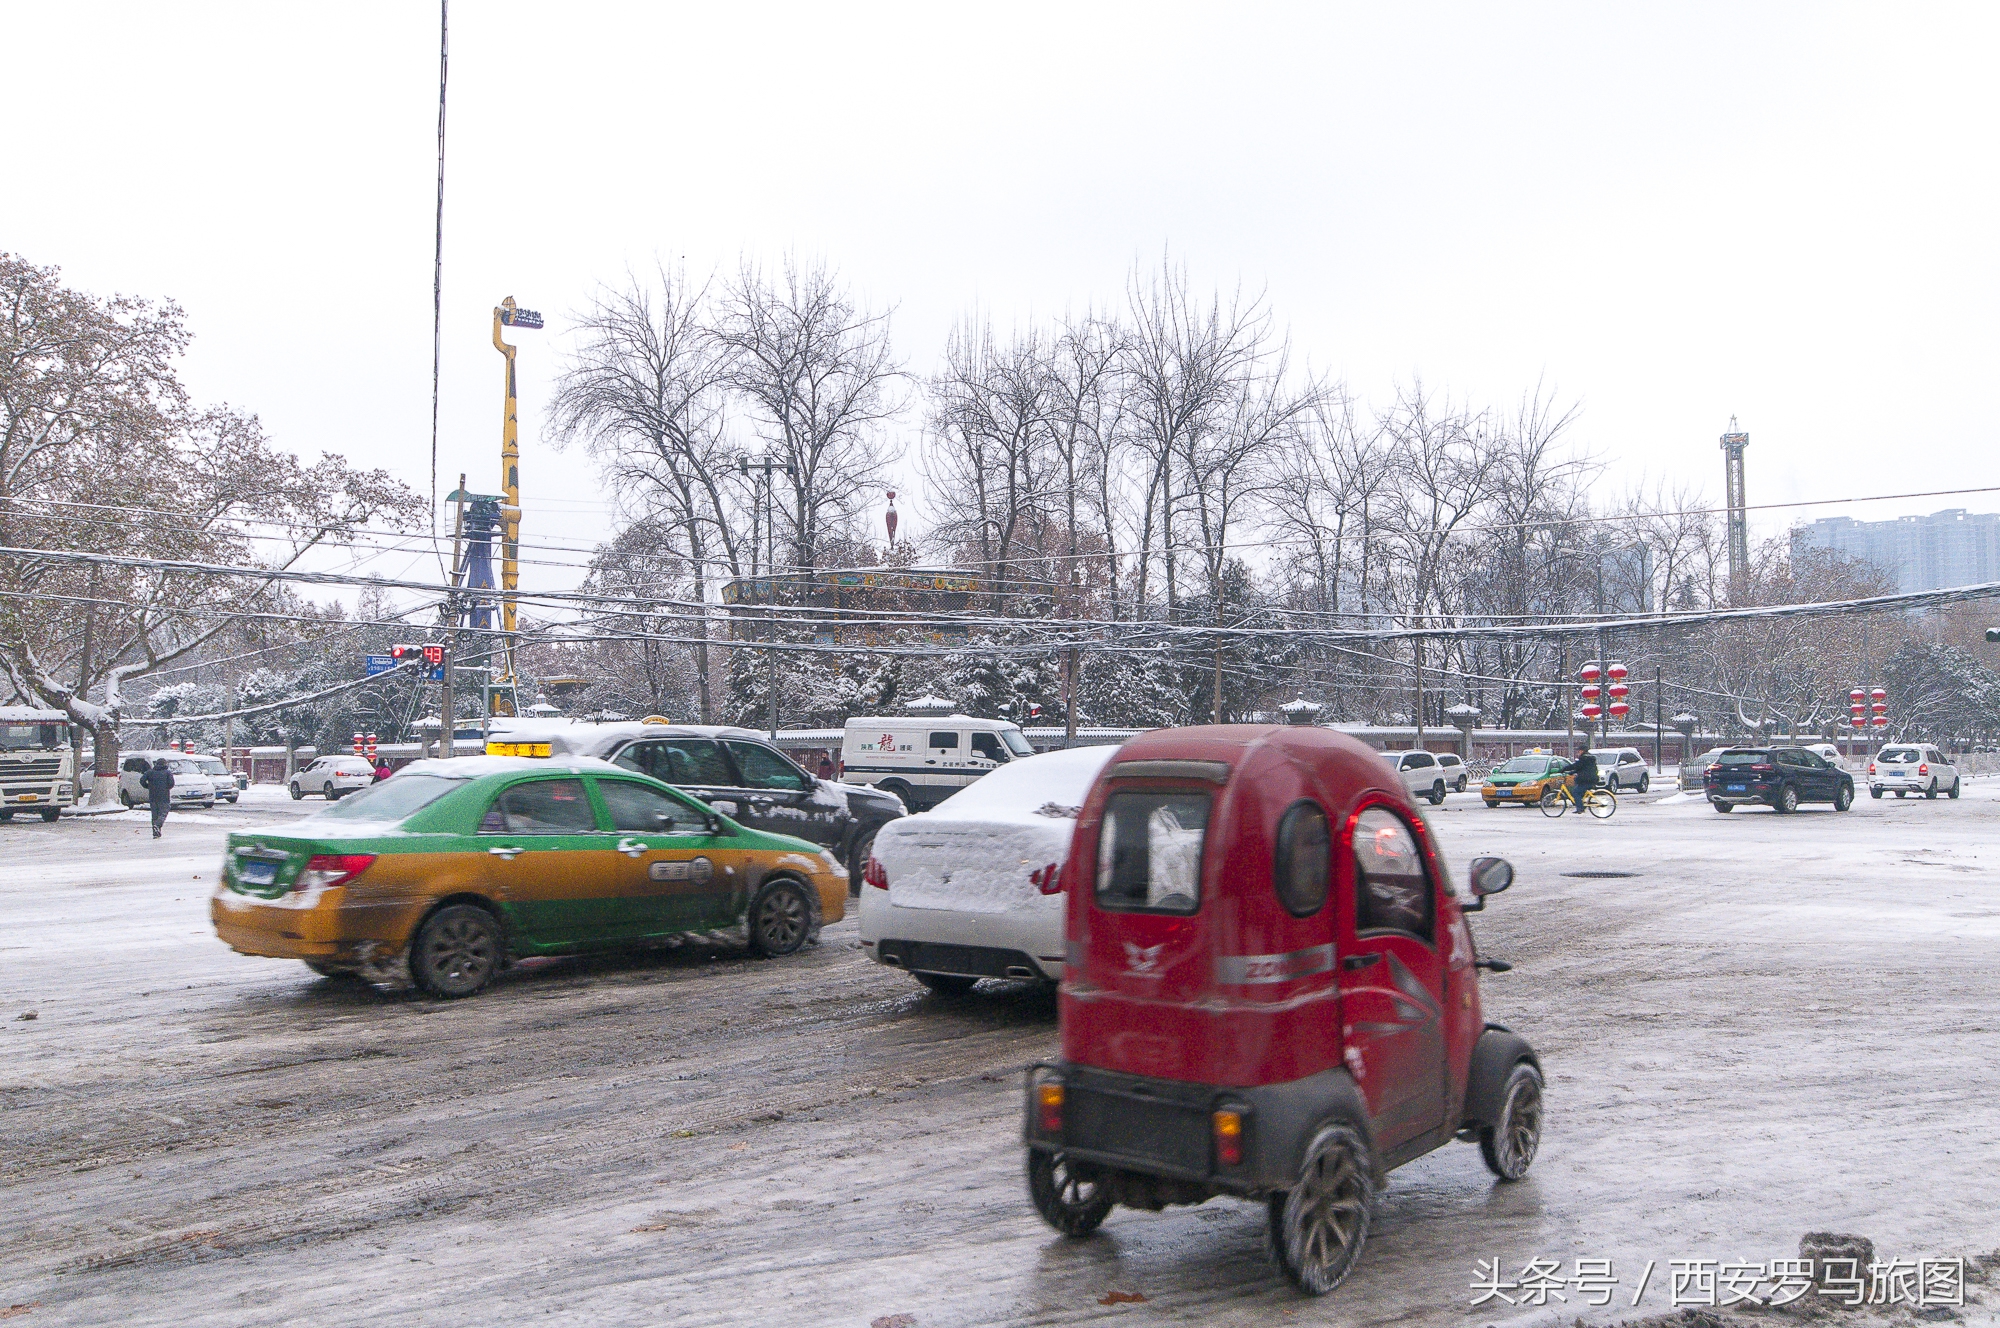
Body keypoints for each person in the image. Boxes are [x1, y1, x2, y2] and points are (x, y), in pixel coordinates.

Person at [140, 756, 175, 839]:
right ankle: (158, 825)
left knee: (154, 815)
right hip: (164, 796)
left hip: (152, 795)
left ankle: (156, 833)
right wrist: (166, 788)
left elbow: (142, 780)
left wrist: (148, 786)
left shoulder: (150, 772)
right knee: (164, 812)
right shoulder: (167, 773)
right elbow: (171, 783)